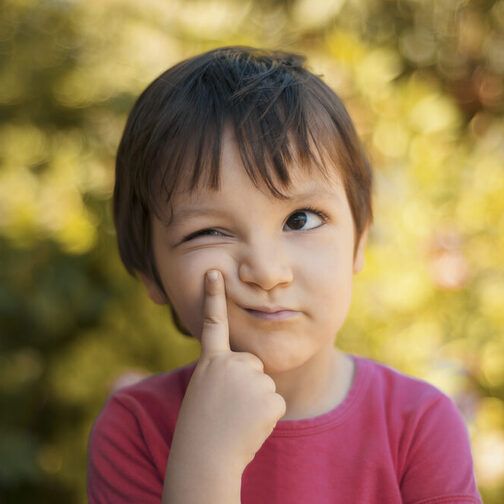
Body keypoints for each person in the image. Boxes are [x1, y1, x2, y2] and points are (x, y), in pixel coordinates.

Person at [87, 46, 482, 503]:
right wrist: (205, 463)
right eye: (210, 230)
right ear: (150, 272)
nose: (268, 272)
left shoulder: (419, 425)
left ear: (360, 239)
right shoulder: (135, 430)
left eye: (301, 219)